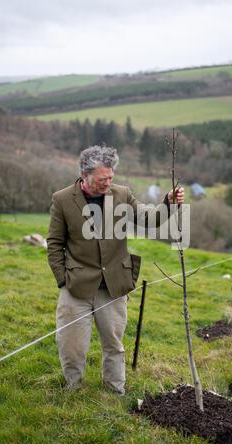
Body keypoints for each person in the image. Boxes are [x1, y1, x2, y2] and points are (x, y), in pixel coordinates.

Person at [47, 145, 184, 394]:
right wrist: (62, 280)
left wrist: (168, 203)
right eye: (102, 179)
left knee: (114, 344)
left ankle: (114, 392)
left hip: (113, 286)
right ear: (85, 174)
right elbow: (54, 244)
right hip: (76, 286)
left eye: (111, 177)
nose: (108, 183)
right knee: (71, 346)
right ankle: (72, 390)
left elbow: (149, 218)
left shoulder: (122, 194)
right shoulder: (63, 199)